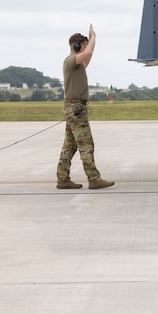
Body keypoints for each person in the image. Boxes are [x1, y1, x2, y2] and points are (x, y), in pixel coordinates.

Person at [56, 24, 114, 190]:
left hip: (74, 107)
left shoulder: (77, 65)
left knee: (70, 145)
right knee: (86, 144)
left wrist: (90, 42)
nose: (86, 49)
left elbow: (88, 56)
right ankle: (94, 178)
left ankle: (62, 178)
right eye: (83, 45)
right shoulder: (70, 61)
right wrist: (93, 37)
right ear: (76, 46)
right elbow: (87, 53)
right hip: (75, 108)